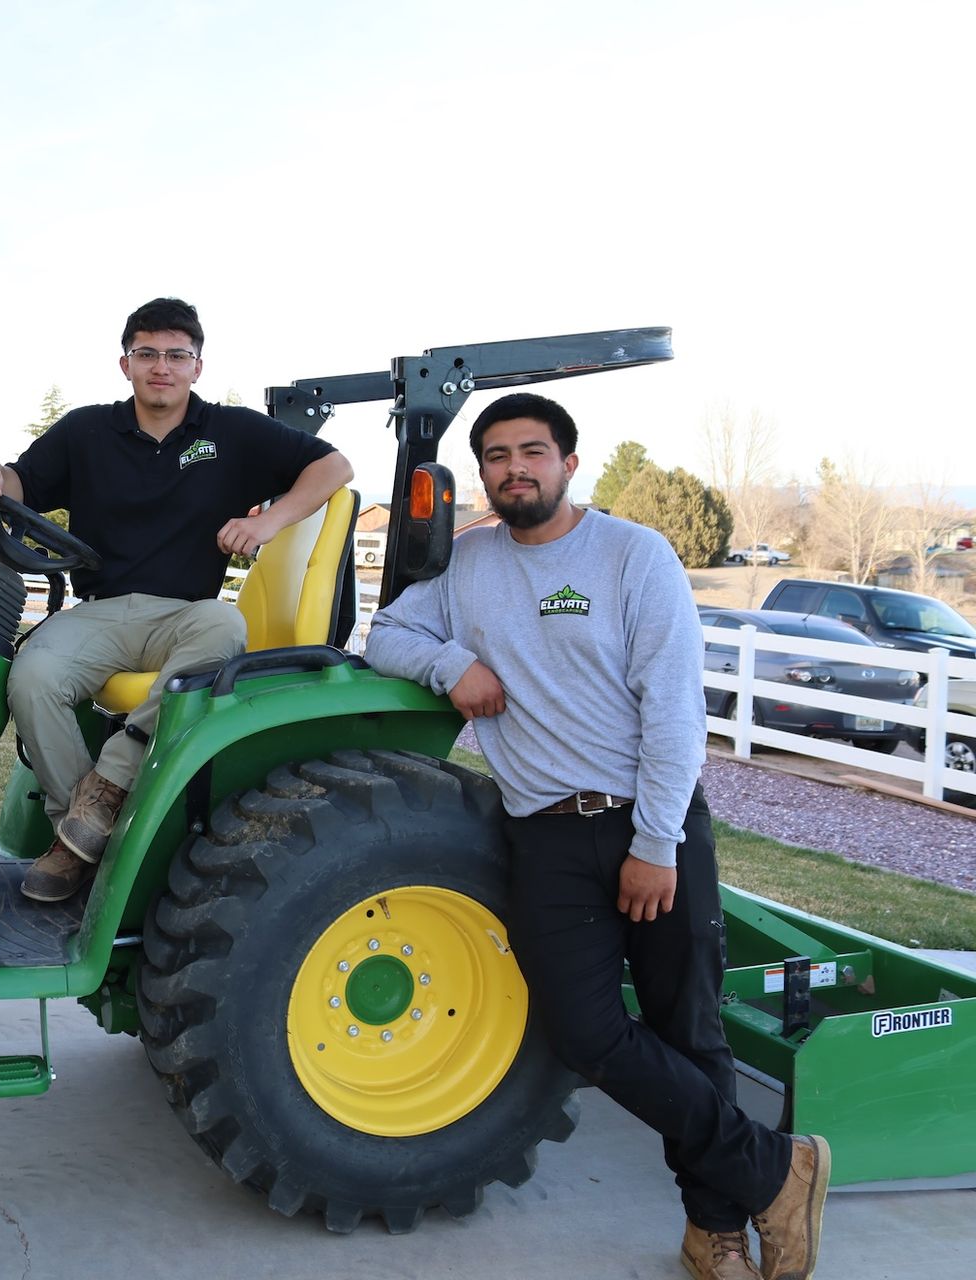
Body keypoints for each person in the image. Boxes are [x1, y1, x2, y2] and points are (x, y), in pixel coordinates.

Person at [364, 392, 829, 1280]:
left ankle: (715, 1232)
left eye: (532, 452)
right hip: (544, 833)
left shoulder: (631, 555)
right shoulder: (467, 566)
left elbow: (675, 714)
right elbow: (387, 633)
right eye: (496, 456)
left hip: (650, 822)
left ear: (569, 464)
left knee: (687, 1029)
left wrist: (655, 843)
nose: (514, 470)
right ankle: (779, 1167)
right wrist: (450, 662)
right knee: (584, 1032)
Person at [0, 297, 353, 903]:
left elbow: (335, 466)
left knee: (225, 625)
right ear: (126, 364)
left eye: (175, 355)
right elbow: (19, 483)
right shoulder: (88, 430)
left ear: (197, 366)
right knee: (33, 673)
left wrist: (271, 523)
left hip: (186, 612)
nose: (161, 366)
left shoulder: (231, 431)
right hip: (102, 609)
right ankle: (78, 834)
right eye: (147, 354)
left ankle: (108, 788)